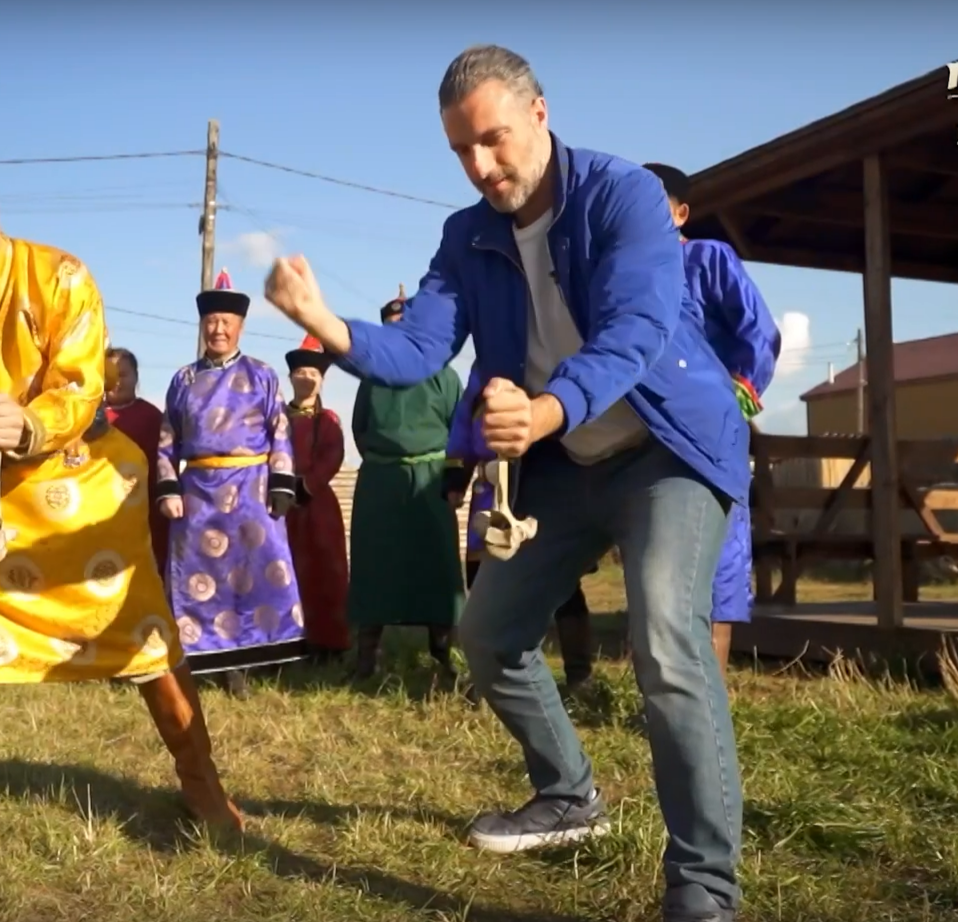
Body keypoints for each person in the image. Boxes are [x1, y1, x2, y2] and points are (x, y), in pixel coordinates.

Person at [263, 47, 748, 922]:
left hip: (667, 449)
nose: (481, 166)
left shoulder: (623, 194)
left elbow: (638, 329)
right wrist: (327, 325)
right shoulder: (468, 233)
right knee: (487, 633)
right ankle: (568, 795)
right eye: (460, 150)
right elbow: (420, 350)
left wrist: (546, 411)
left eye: (492, 139)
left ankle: (703, 887)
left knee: (667, 642)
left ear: (539, 115)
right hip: (565, 467)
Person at [0, 101, 241, 889]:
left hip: (84, 493)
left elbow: (77, 387)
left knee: (141, 638)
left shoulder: (60, 274)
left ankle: (205, 791)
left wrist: (29, 422)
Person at [643, 162, 782, 674]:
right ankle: (659, 698)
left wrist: (736, 400)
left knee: (717, 561)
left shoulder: (708, 259)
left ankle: (708, 698)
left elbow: (760, 332)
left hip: (710, 434)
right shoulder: (620, 272)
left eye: (651, 200)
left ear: (681, 213)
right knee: (655, 561)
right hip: (646, 436)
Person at [155, 269, 307, 698]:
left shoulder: (262, 374)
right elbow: (167, 439)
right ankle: (200, 661)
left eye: (226, 322)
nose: (218, 328)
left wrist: (281, 483)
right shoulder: (183, 380)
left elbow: (280, 431)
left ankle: (248, 663)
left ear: (240, 326)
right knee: (202, 579)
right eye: (211, 321)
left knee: (254, 577)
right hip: (198, 493)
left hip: (252, 490)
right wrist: (168, 489)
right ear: (203, 325)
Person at [445, 364, 596, 695]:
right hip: (489, 498)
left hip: (541, 490)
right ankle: (490, 674)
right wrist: (456, 476)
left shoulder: (550, 357)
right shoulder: (481, 375)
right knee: (483, 585)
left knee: (562, 584)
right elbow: (462, 428)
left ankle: (580, 677)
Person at [346, 287, 466, 687]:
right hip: (381, 480)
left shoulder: (443, 376)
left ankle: (444, 656)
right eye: (390, 327)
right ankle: (367, 658)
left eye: (403, 325)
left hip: (428, 481)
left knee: (437, 567)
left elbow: (460, 431)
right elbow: (360, 428)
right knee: (373, 565)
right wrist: (386, 461)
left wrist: (453, 478)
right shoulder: (372, 378)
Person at [282, 334, 351, 661]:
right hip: (282, 506)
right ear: (291, 377)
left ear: (322, 380)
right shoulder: (277, 420)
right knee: (287, 571)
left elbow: (332, 456)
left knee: (326, 571)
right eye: (301, 372)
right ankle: (290, 640)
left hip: (318, 503)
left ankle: (330, 641)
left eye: (314, 372)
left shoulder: (328, 421)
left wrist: (307, 486)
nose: (306, 377)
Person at [103, 346, 171, 582]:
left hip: (144, 509)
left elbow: (163, 463)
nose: (117, 382)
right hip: (101, 510)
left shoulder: (151, 417)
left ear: (136, 377)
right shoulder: (88, 416)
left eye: (124, 375)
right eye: (111, 375)